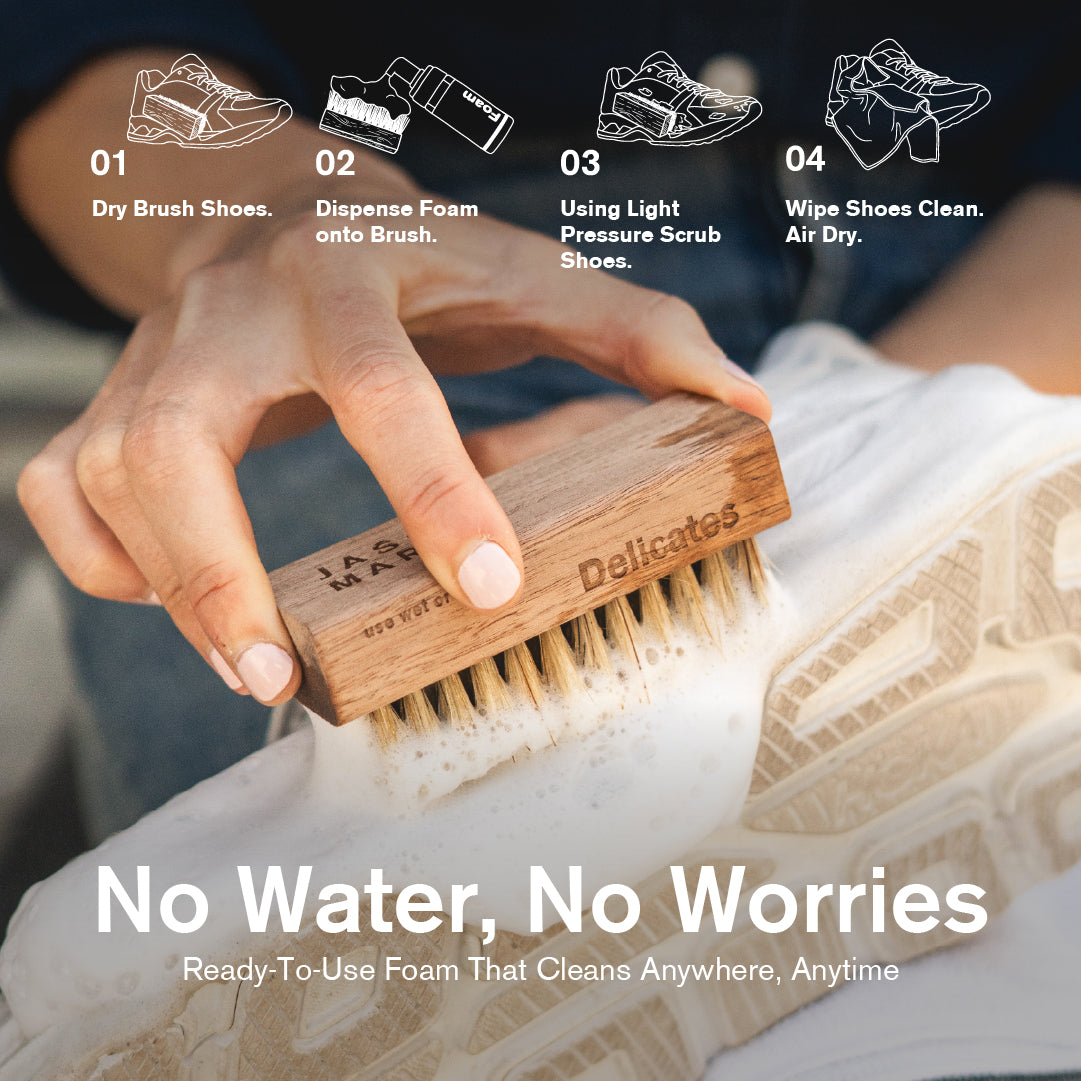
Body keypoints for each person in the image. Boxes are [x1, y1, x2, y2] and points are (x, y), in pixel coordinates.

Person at [2, 1, 1080, 837]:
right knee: (333, 889)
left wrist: (844, 425)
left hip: (1014, 269)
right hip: (406, 279)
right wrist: (261, 217)